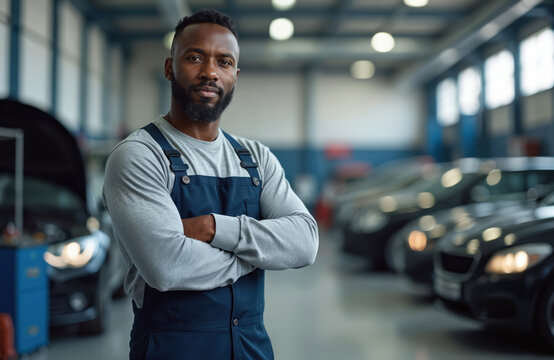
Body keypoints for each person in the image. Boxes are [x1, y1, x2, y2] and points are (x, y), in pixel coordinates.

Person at [102, 9, 319, 360]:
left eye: (224, 61)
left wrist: (212, 227)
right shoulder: (139, 156)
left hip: (251, 348)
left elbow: (305, 243)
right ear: (170, 68)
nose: (209, 72)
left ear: (235, 74)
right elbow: (167, 266)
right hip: (171, 349)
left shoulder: (256, 158)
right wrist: (259, 255)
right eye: (195, 57)